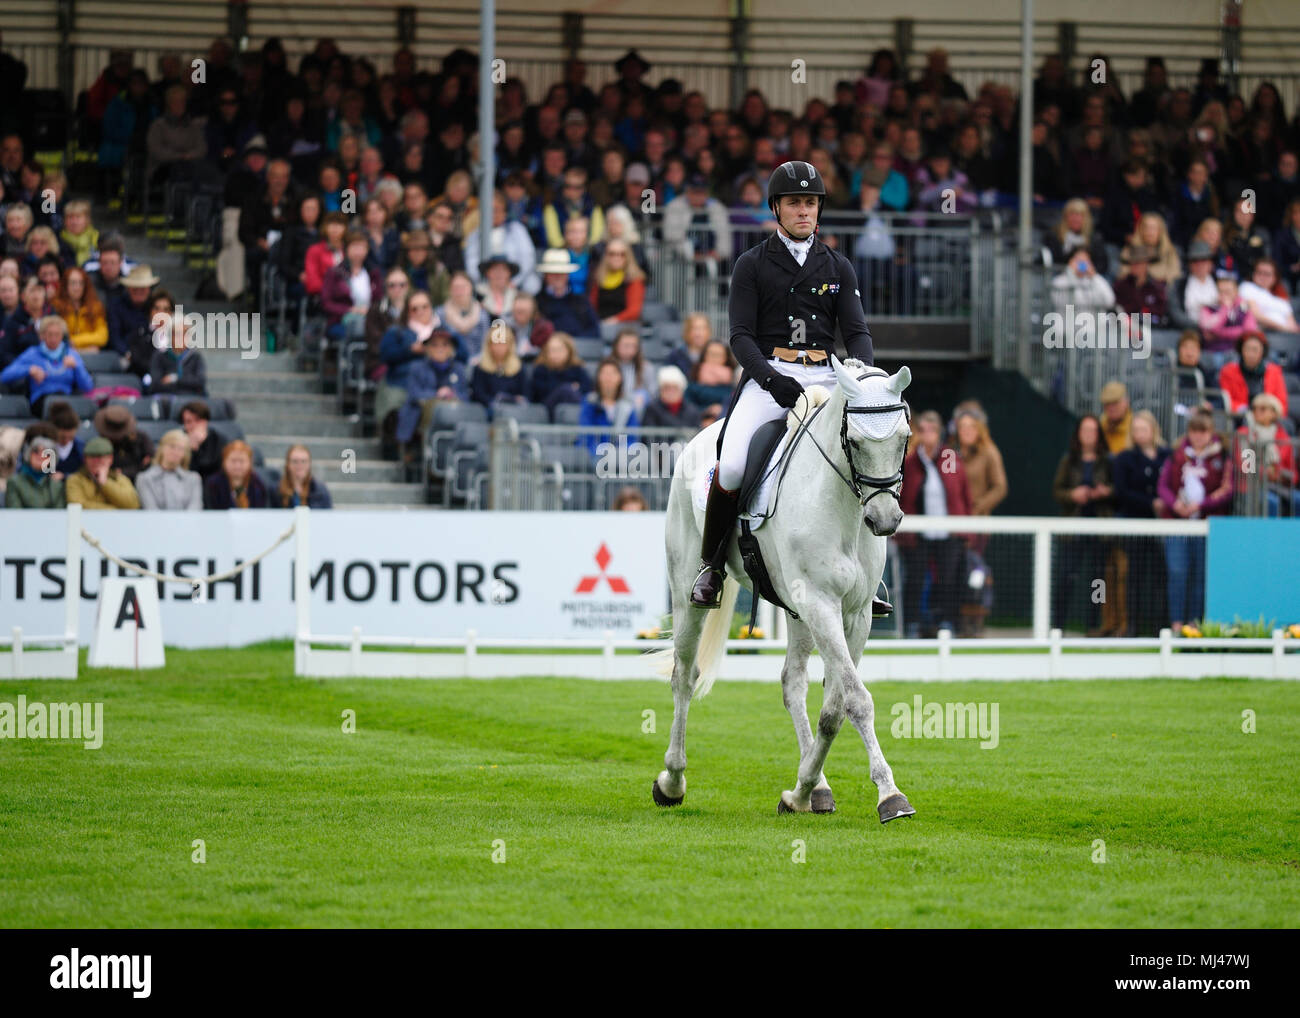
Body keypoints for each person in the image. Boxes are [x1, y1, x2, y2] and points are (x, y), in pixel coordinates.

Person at [690, 160, 875, 610]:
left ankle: (867, 578)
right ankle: (711, 565)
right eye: (795, 202)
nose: (804, 211)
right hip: (769, 375)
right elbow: (739, 337)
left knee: (867, 452)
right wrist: (774, 382)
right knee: (732, 465)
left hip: (827, 378)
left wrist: (863, 380)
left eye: (810, 202)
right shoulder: (752, 264)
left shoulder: (838, 266)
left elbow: (856, 333)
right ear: (777, 208)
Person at [897, 410, 972, 638]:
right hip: (918, 532)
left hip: (948, 531)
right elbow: (904, 495)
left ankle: (947, 623)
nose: (928, 435)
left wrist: (965, 526)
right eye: (923, 430)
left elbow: (961, 492)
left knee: (948, 579)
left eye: (933, 430)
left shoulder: (949, 457)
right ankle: (912, 624)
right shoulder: (909, 461)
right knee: (915, 579)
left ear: (939, 433)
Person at [1158, 408, 1233, 630]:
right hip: (1177, 524)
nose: (1199, 436)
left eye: (1203, 431)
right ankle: (1176, 625)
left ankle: (1196, 625)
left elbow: (1228, 489)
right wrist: (1177, 505)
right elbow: (1163, 486)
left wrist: (1201, 505)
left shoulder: (1223, 456)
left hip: (1207, 526)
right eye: (1194, 431)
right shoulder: (1176, 454)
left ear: (1211, 432)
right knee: (1177, 572)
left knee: (1201, 575)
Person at [1051, 415, 1114, 635]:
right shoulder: (1068, 460)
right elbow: (1057, 491)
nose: (1088, 434)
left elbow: (1117, 491)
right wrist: (1073, 495)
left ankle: (1093, 625)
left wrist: (1104, 492)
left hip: (1100, 528)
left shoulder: (1108, 461)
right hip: (1073, 529)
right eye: (1084, 430)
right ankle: (1057, 626)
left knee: (1098, 580)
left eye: (1093, 430)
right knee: (1067, 576)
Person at [1111, 410, 1172, 635]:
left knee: (1161, 577)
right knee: (1133, 576)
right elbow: (1122, 492)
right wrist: (1151, 503)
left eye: (1143, 429)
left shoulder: (1168, 455)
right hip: (1134, 525)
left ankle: (1161, 629)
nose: (1139, 434)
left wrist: (1164, 503)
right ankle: (1132, 628)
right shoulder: (1124, 458)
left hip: (1162, 525)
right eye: (1135, 430)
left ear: (1153, 430)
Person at [951, 403, 1006, 637]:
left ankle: (975, 623)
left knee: (976, 574)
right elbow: (948, 482)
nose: (966, 431)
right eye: (962, 427)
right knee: (956, 574)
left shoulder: (989, 452)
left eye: (971, 427)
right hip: (953, 526)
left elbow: (1000, 487)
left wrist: (977, 507)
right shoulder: (950, 453)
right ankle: (958, 622)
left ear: (979, 429)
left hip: (977, 526)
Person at [0, 315, 93, 416]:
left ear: (62, 336)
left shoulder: (71, 354)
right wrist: (29, 369)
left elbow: (88, 387)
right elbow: (4, 376)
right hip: (41, 402)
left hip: (67, 400)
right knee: (54, 406)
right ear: (42, 336)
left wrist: (77, 367)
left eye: (57, 334)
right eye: (50, 334)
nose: (53, 339)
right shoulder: (33, 353)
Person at [394, 328, 470, 449]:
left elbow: (465, 396)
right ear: (428, 348)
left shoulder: (459, 369)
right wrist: (437, 394)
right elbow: (414, 394)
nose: (440, 349)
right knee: (434, 408)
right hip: (421, 415)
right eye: (435, 345)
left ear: (451, 349)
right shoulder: (417, 367)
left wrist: (451, 394)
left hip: (454, 415)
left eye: (445, 345)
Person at [1236, 392, 1298, 517]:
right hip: (1252, 486)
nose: (1257, 412)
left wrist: (1281, 474)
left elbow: (1292, 471)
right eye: (1254, 408)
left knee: (1297, 500)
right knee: (1271, 502)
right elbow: (1247, 467)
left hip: (1279, 485)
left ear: (1274, 413)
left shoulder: (1283, 437)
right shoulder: (1245, 434)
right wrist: (1266, 472)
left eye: (1263, 409)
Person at [578, 357, 639, 460]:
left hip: (621, 459)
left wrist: (618, 454)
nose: (608, 377)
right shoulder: (589, 402)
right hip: (595, 457)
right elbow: (586, 435)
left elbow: (632, 438)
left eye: (612, 373)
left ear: (620, 378)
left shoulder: (628, 406)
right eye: (605, 373)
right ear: (598, 377)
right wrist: (603, 453)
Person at [1217, 330, 1288, 417]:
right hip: (1241, 416)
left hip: (1269, 417)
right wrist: (1247, 411)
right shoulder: (1228, 371)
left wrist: (1270, 414)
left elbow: (1281, 402)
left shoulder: (1274, 371)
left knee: (1288, 426)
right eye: (1247, 349)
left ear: (1262, 351)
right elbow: (1226, 400)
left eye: (1255, 350)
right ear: (1241, 350)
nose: (1251, 354)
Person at [536, 248, 599, 338]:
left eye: (561, 272)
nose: (557, 276)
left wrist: (572, 344)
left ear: (567, 275)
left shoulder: (581, 301)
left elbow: (594, 330)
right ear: (546, 275)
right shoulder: (536, 302)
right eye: (553, 273)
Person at [135, 429, 203, 510]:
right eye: (172, 446)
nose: (176, 452)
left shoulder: (193, 479)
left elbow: (194, 510)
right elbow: (151, 510)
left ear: (185, 454)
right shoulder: (144, 478)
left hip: (187, 522)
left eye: (181, 449)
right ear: (162, 448)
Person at [66, 435, 140, 509]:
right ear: (85, 459)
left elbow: (132, 505)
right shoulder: (75, 479)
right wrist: (114, 510)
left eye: (100, 457)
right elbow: (77, 505)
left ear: (110, 459)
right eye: (92, 457)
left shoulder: (120, 479)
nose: (96, 461)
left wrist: (105, 483)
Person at [526, 331, 591, 415]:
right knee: (566, 390)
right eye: (552, 350)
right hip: (546, 410)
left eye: (559, 350)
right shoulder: (540, 370)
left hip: (573, 408)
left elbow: (587, 390)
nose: (555, 354)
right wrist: (570, 387)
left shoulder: (578, 369)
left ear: (569, 350)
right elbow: (539, 394)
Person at [469, 325, 529, 415]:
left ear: (510, 345)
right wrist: (495, 402)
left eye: (503, 343)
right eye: (496, 342)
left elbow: (526, 394)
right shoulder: (480, 368)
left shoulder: (519, 368)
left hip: (515, 412)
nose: (499, 347)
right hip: (488, 413)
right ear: (489, 345)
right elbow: (478, 394)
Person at [53, 266, 109, 350]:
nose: (77, 288)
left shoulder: (95, 306)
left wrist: (75, 341)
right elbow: (57, 338)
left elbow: (102, 336)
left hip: (91, 355)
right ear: (65, 285)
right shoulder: (56, 307)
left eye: (81, 283)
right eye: (73, 283)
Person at [93, 404, 153, 482]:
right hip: (108, 481)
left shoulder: (141, 438)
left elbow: (148, 463)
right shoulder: (100, 443)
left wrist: (125, 472)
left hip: (137, 480)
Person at [3, 433, 65, 508]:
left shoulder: (56, 485)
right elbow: (14, 513)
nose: (41, 455)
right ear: (29, 454)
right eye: (36, 451)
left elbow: (59, 515)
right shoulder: (14, 482)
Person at [1238, 257, 1298, 332]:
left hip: (1287, 336)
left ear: (1275, 277)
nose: (1262, 276)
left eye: (1267, 274)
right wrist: (1284, 328)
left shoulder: (1281, 297)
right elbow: (1255, 314)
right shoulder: (1247, 287)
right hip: (1264, 333)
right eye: (1259, 272)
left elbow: (1292, 323)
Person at [204, 439, 268, 509]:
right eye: (233, 461)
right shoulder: (213, 484)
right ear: (224, 462)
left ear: (250, 463)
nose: (237, 466)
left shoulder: (258, 484)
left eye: (242, 461)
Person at [642, 365, 702, 429]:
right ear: (661, 390)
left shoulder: (692, 411)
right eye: (667, 388)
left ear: (681, 389)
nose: (671, 392)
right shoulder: (652, 409)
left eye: (675, 388)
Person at [276, 444, 333, 508]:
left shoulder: (320, 490)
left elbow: (328, 515)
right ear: (288, 464)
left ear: (309, 464)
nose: (299, 465)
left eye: (304, 461)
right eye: (295, 461)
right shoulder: (277, 490)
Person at [179, 400, 223, 480]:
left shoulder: (219, 439)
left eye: (197, 420)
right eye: (188, 422)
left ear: (205, 421)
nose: (193, 425)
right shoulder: (178, 439)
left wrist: (197, 449)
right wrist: (191, 450)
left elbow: (213, 469)